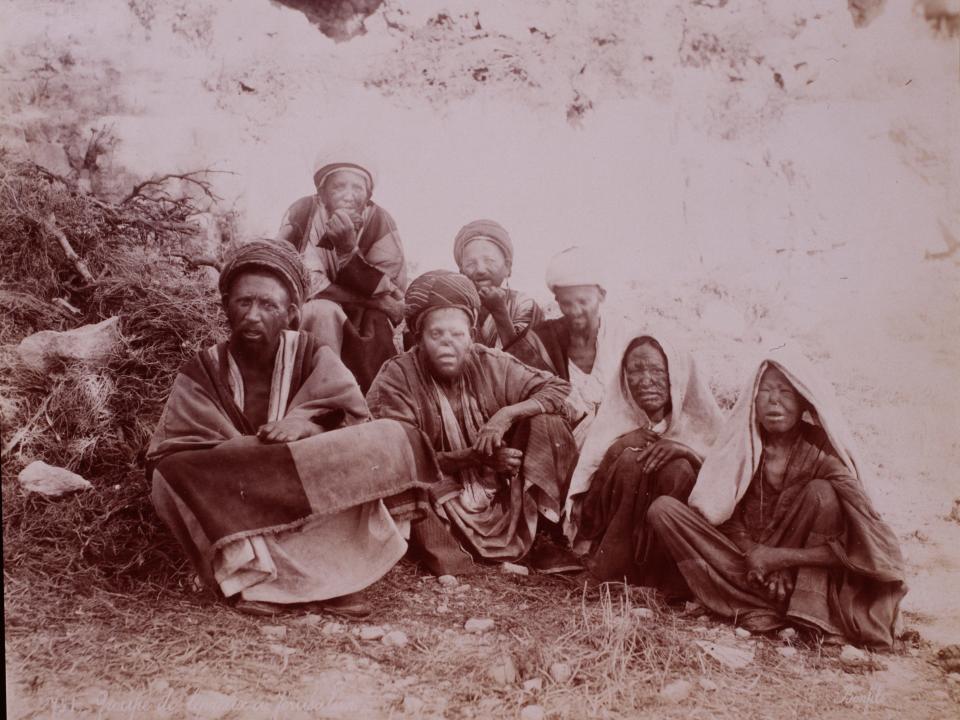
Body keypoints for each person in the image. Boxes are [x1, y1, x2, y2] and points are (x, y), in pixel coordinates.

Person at [147, 241, 436, 618]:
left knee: (396, 437)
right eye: (243, 302)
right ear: (225, 306)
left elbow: (352, 415)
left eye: (268, 306)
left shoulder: (312, 353)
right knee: (170, 473)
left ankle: (342, 579)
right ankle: (257, 579)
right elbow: (175, 444)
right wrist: (254, 453)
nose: (253, 316)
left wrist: (306, 424)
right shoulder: (202, 368)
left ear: (291, 313)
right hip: (241, 481)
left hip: (308, 466)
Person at [648, 348, 907, 646]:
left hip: (801, 575)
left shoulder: (823, 450)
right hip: (746, 564)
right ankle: (763, 604)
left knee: (822, 493)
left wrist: (781, 559)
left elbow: (865, 539)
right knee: (663, 510)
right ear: (752, 401)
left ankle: (793, 607)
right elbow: (720, 514)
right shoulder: (743, 444)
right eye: (766, 391)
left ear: (802, 401)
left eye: (785, 391)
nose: (774, 401)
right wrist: (757, 556)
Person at [367, 270, 580, 575]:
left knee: (548, 422)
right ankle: (448, 554)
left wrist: (504, 416)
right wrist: (475, 457)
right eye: (436, 335)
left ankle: (544, 537)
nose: (447, 344)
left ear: (472, 336)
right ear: (418, 338)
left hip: (495, 485)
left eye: (457, 335)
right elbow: (400, 458)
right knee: (404, 479)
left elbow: (557, 388)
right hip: (435, 488)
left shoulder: (489, 362)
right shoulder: (397, 376)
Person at [566, 332, 724, 592]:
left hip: (669, 539)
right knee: (631, 458)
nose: (645, 381)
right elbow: (586, 502)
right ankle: (610, 571)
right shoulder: (612, 420)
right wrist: (620, 447)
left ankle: (662, 580)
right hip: (608, 533)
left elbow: (720, 490)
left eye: (657, 370)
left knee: (679, 469)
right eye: (635, 371)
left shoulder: (700, 424)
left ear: (677, 375)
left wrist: (685, 452)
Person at [276, 158, 406, 392]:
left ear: (368, 194)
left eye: (357, 188)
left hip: (363, 318)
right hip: (308, 311)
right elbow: (309, 284)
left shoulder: (379, 221)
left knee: (376, 323)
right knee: (322, 311)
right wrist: (374, 300)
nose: (349, 195)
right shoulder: (303, 212)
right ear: (322, 191)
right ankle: (322, 394)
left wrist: (349, 251)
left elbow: (392, 290)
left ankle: (373, 400)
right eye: (339, 186)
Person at [506, 246, 628, 448]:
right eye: (567, 303)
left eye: (583, 301)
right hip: (562, 446)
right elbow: (510, 375)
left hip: (621, 441)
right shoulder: (542, 340)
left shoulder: (624, 337)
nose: (575, 311)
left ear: (602, 296)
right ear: (557, 301)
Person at [452, 219, 543, 349]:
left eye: (489, 261)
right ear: (461, 271)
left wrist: (499, 311)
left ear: (507, 267)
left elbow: (527, 361)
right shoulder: (453, 308)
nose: (480, 270)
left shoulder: (524, 305)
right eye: (471, 264)